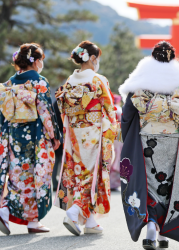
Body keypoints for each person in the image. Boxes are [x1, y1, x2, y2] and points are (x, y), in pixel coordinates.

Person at [119, 41, 179, 249]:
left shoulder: (141, 81)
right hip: (173, 139)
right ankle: (162, 231)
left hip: (146, 139)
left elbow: (127, 114)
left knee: (150, 182)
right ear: (173, 57)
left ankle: (152, 226)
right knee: (169, 183)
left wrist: (128, 139)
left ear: (153, 56)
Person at [0, 43, 61, 235]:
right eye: (41, 60)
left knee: (19, 176)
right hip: (35, 135)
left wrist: (2, 134)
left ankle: (30, 220)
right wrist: (54, 135)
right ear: (37, 61)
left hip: (14, 136)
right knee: (38, 176)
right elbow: (45, 111)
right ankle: (7, 211)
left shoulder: (9, 83)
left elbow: (3, 113)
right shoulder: (39, 82)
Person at [55, 41, 118, 236]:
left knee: (80, 173)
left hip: (74, 133)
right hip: (93, 132)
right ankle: (74, 212)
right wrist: (111, 132)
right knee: (92, 174)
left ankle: (90, 221)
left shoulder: (69, 81)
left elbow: (63, 109)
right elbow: (109, 109)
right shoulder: (98, 80)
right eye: (97, 58)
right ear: (92, 58)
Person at [110, 94, 123, 191]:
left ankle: (110, 183)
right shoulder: (119, 109)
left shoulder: (110, 108)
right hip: (119, 134)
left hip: (110, 133)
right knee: (118, 157)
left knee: (111, 156)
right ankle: (114, 184)